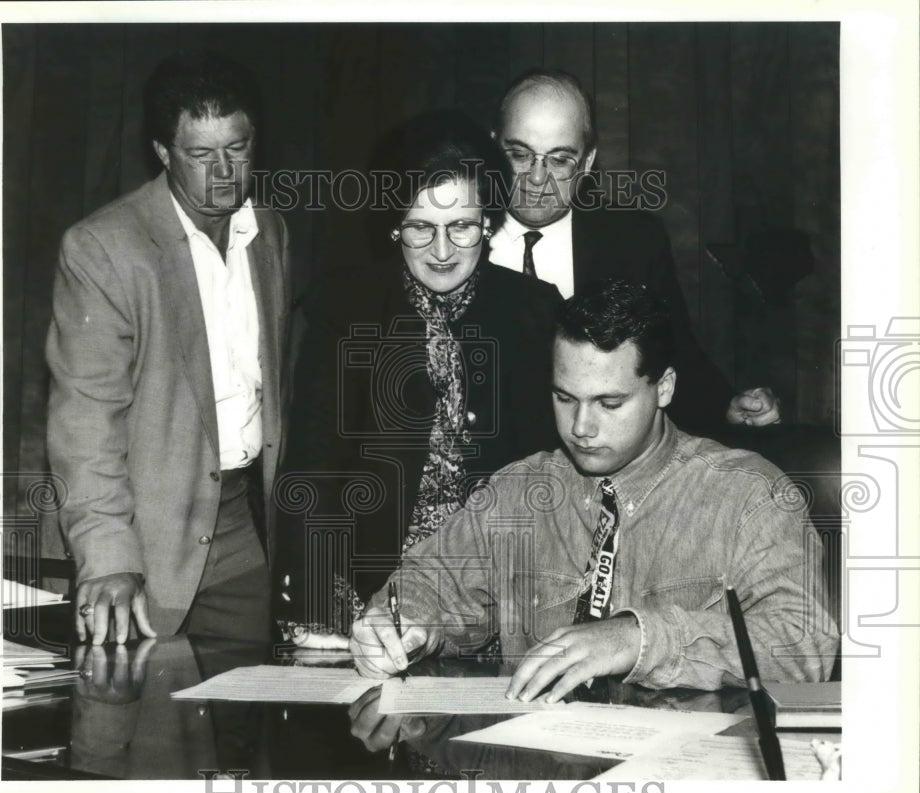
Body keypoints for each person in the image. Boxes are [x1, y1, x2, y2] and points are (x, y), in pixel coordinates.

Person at [350, 280, 837, 695]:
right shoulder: (519, 493)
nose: (581, 427)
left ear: (664, 387)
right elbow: (429, 585)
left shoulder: (749, 495)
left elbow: (804, 645)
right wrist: (400, 623)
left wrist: (638, 640)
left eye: (609, 403)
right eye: (565, 398)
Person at [272, 111, 562, 646]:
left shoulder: (534, 312)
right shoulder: (343, 308)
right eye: (421, 227)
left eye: (462, 227)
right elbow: (312, 472)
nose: (442, 251)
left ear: (490, 222)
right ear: (394, 224)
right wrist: (317, 612)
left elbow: (548, 476)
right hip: (366, 600)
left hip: (497, 596)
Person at [46, 50, 293, 644]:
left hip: (246, 529)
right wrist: (108, 558)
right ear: (162, 152)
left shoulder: (270, 232)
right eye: (201, 155)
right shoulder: (104, 249)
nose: (225, 172)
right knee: (139, 704)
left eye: (237, 149)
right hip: (143, 541)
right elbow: (85, 421)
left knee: (251, 701)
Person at [488, 68, 781, 431]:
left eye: (560, 159)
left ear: (588, 162)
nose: (537, 178)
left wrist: (729, 406)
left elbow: (674, 356)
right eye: (519, 154)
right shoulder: (451, 241)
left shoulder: (633, 242)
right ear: (492, 149)